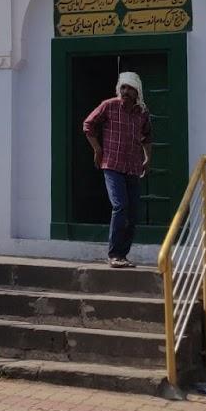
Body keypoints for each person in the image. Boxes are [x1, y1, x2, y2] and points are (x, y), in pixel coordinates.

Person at [82, 71, 153, 269]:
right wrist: (97, 149)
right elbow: (88, 124)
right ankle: (113, 254)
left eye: (130, 88)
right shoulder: (109, 106)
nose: (126, 92)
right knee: (120, 206)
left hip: (133, 166)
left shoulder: (142, 112)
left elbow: (147, 136)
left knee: (133, 212)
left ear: (137, 91)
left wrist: (148, 157)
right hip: (112, 164)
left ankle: (123, 255)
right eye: (123, 87)